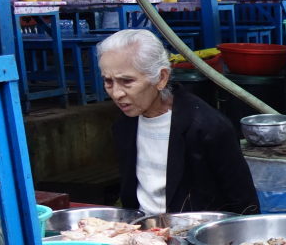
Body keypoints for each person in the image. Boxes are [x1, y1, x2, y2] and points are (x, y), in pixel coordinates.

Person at [98, 29, 259, 216]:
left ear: (161, 78)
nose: (116, 93)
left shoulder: (207, 127)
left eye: (127, 81)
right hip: (142, 231)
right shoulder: (125, 126)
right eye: (108, 82)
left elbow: (243, 201)